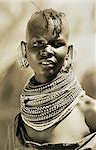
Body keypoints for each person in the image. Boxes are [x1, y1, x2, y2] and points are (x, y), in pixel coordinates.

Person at [6, 8, 96, 150]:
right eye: (38, 43)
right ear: (24, 50)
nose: (47, 51)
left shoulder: (89, 113)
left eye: (56, 44)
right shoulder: (18, 126)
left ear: (69, 52)